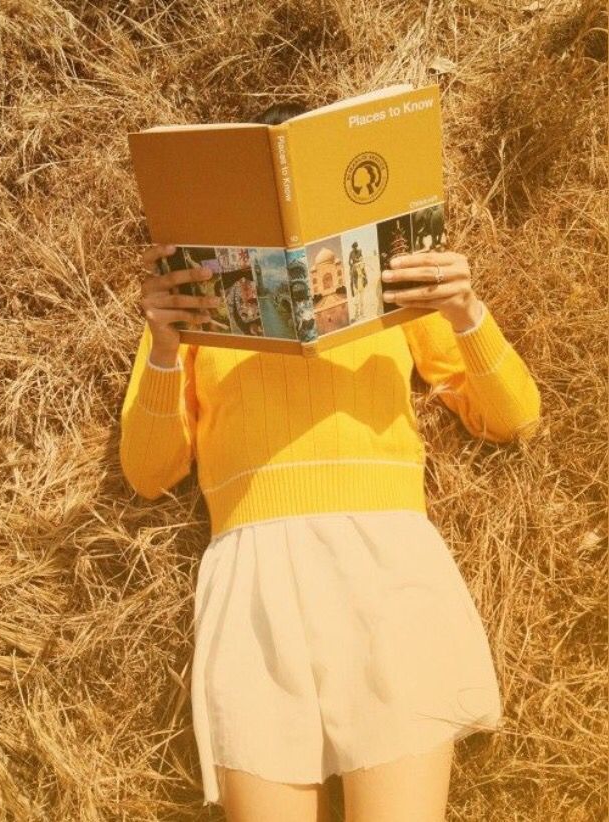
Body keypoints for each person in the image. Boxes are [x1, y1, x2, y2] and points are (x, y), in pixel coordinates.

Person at [119, 100, 542, 822]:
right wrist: (162, 346)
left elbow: (514, 418)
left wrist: (465, 310)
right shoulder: (193, 312)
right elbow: (148, 472)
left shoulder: (402, 292)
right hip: (254, 580)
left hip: (386, 562)